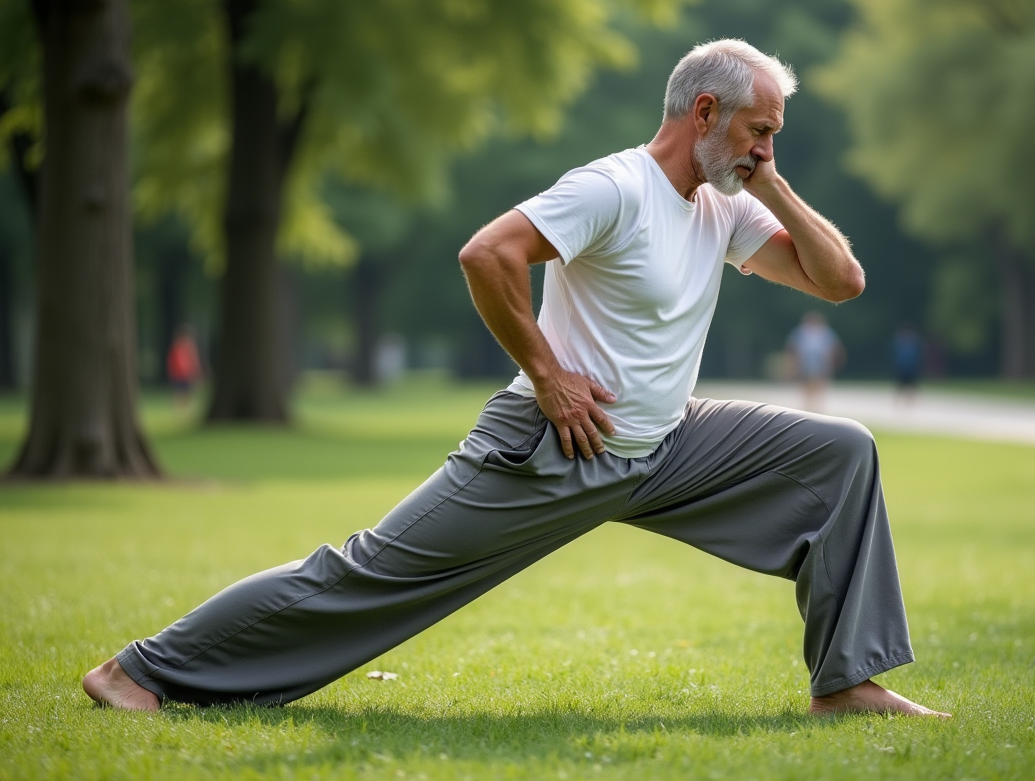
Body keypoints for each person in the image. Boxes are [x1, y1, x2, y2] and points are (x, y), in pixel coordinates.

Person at [84, 39, 948, 718]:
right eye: (759, 130)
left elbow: (841, 282)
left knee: (840, 453)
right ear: (706, 110)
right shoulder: (614, 188)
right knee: (367, 574)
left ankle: (845, 685)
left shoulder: (725, 203)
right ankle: (139, 670)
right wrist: (546, 373)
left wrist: (776, 180)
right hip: (562, 443)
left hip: (670, 446)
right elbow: (487, 253)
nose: (763, 148)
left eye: (773, 138)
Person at [786, 311, 843, 411]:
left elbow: (833, 348)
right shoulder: (801, 331)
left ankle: (817, 404)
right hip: (806, 361)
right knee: (806, 383)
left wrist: (832, 361)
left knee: (820, 382)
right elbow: (794, 348)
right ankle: (808, 404)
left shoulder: (825, 332)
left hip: (821, 361)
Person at [165, 324, 203, 409]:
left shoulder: (190, 346)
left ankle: (186, 409)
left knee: (188, 392)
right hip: (179, 373)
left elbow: (194, 361)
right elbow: (174, 361)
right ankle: (180, 409)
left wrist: (195, 371)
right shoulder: (177, 346)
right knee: (179, 392)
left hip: (188, 373)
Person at [891, 323, 923, 405]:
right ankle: (898, 402)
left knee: (912, 387)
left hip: (911, 368)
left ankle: (909, 403)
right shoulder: (899, 341)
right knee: (900, 386)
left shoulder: (914, 342)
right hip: (902, 368)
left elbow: (918, 355)